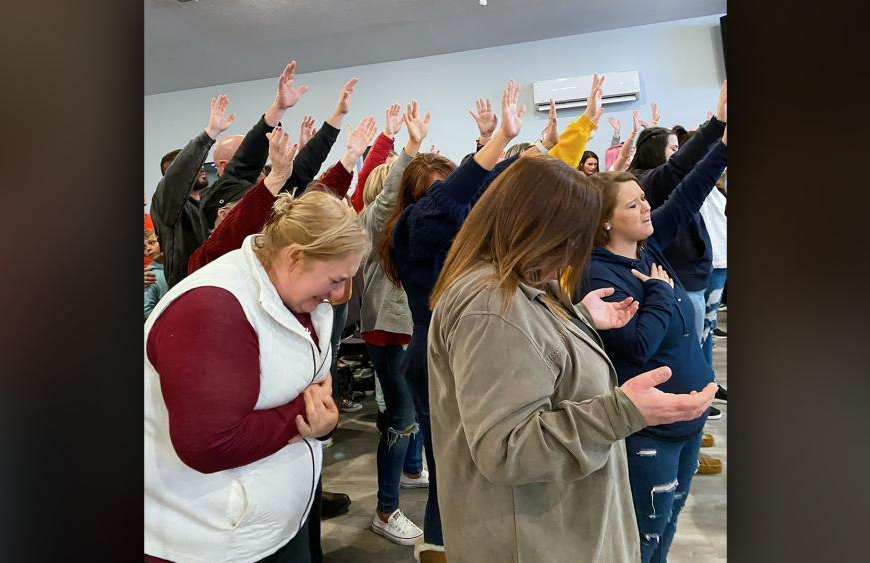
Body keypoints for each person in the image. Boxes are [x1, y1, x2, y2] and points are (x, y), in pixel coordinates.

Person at [427, 151, 716, 563]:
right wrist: (623, 411)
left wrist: (574, 318)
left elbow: (529, 357)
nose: (573, 255)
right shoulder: (492, 306)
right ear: (533, 228)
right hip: (534, 540)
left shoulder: (517, 285)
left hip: (553, 529)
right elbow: (507, 448)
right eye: (570, 240)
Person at [384, 77, 603, 562]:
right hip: (434, 361)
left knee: (471, 463)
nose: (452, 201)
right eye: (434, 192)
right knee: (455, 467)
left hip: (465, 355)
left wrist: (549, 140)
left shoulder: (474, 247)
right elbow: (451, 201)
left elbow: (506, 191)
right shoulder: (413, 231)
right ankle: (441, 548)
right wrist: (497, 143)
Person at [144, 180, 369, 562]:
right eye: (335, 279)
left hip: (271, 524)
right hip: (208, 541)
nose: (339, 293)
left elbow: (315, 394)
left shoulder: (303, 300)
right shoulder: (213, 309)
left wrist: (323, 419)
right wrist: (306, 414)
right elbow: (210, 445)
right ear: (295, 257)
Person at [581, 128, 727, 562]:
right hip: (651, 430)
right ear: (606, 219)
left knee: (672, 515)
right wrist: (661, 295)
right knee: (645, 533)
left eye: (644, 200)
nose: (647, 207)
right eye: (634, 204)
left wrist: (721, 143)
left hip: (688, 417)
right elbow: (639, 345)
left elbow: (687, 192)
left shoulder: (646, 247)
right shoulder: (598, 273)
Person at [358, 100, 430, 545]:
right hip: (390, 330)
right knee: (401, 417)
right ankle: (386, 509)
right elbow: (386, 199)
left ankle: (410, 469)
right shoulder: (377, 220)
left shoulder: (403, 223)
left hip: (402, 328)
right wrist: (410, 146)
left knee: (413, 412)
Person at [199, 68, 358, 228]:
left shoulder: (272, 191)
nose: (262, 160)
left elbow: (306, 165)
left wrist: (338, 115)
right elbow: (249, 155)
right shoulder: (214, 199)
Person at [150, 94, 236, 288]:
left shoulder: (209, 201)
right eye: (195, 167)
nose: (202, 168)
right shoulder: (167, 208)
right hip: (189, 290)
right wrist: (209, 134)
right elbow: (181, 171)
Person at [143, 230, 168, 321]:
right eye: (144, 248)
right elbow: (147, 310)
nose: (148, 249)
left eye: (152, 242)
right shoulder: (149, 275)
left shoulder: (180, 265)